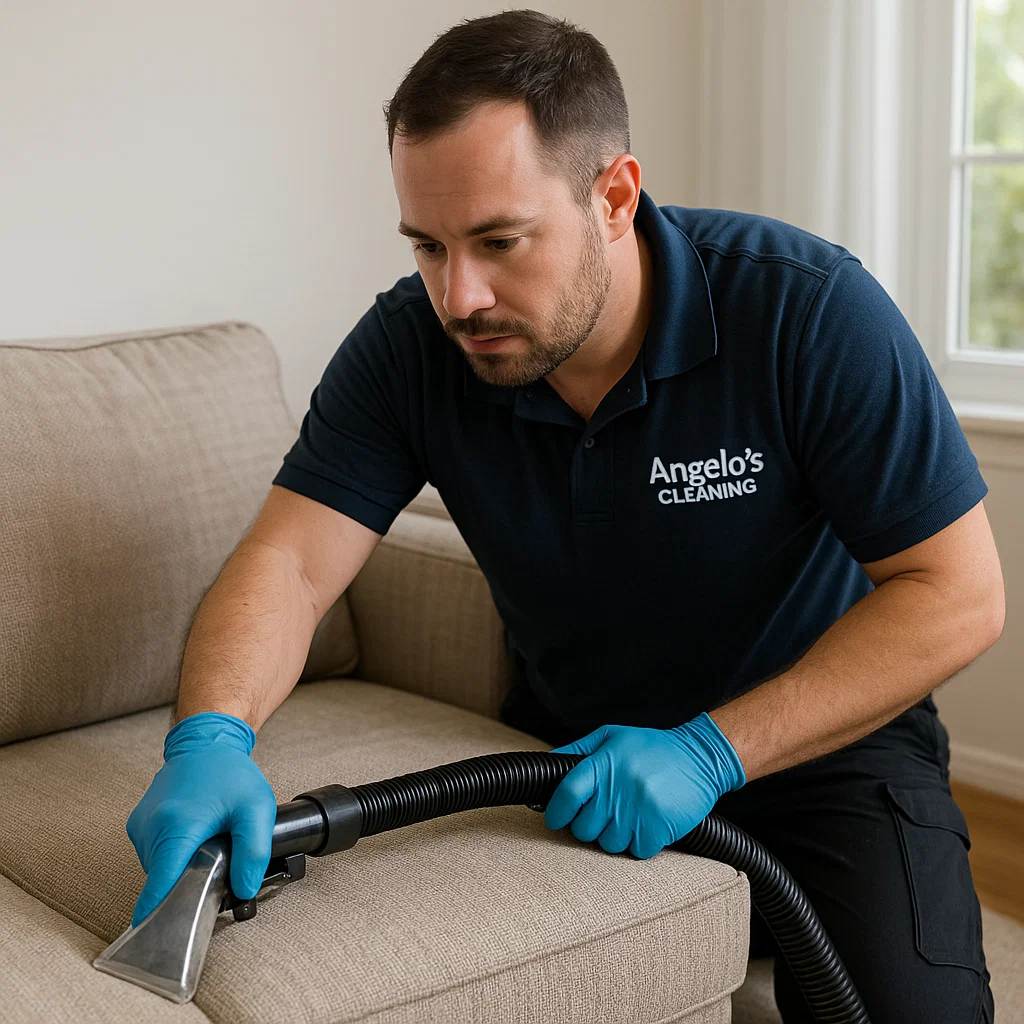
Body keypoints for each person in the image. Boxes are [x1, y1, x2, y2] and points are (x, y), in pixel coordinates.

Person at [125, 10, 1004, 1022]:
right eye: (427, 245)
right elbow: (291, 563)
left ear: (615, 197)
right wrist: (210, 738)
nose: (459, 296)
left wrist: (709, 752)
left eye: (499, 240)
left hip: (826, 755)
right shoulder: (411, 348)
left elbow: (958, 594)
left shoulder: (805, 310)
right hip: (576, 764)